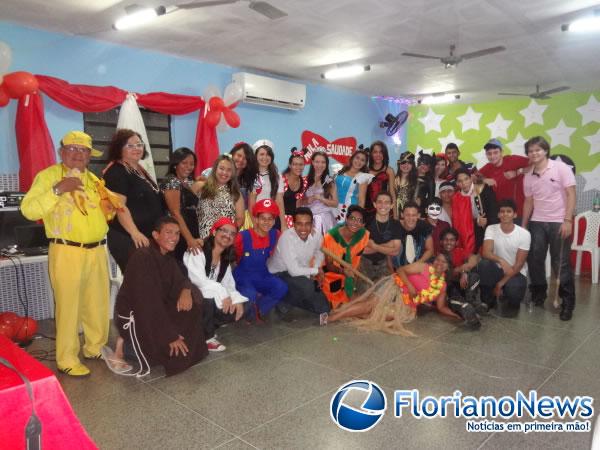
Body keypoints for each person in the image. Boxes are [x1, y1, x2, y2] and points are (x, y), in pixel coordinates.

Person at [21, 131, 117, 376]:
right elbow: (29, 210)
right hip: (66, 250)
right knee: (69, 306)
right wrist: (57, 190)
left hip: (97, 249)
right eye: (72, 149)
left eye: (83, 150)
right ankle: (67, 359)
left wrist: (112, 207)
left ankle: (94, 347)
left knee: (97, 303)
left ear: (89, 155)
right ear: (61, 152)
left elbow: (104, 213)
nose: (77, 154)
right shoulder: (49, 176)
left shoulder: (95, 180)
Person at [105, 217, 208, 377]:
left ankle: (163, 341)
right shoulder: (142, 257)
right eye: (168, 232)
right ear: (155, 235)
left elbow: (181, 280)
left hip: (156, 311)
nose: (174, 238)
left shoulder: (167, 257)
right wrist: (169, 335)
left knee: (194, 302)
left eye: (177, 233)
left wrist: (186, 290)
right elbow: (147, 303)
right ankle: (125, 345)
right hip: (136, 315)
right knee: (167, 356)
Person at [325, 254, 459, 334]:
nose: (439, 263)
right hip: (395, 287)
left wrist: (457, 316)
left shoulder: (442, 286)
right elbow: (400, 270)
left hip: (407, 306)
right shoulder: (423, 267)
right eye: (438, 260)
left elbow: (441, 307)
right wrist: (410, 286)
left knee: (377, 314)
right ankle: (334, 317)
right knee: (370, 305)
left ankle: (345, 309)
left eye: (444, 262)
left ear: (448, 267)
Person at [522, 136, 576, 321]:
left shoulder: (561, 168)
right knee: (535, 258)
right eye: (530, 150)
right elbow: (529, 201)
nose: (534, 153)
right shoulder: (528, 176)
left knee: (560, 263)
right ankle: (538, 294)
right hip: (537, 222)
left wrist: (568, 220)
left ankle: (567, 303)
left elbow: (571, 194)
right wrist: (523, 225)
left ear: (545, 150)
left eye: (537, 149)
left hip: (559, 222)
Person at [103, 128, 164, 272]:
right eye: (129, 145)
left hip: (148, 236)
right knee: (142, 280)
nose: (136, 148)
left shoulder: (139, 169)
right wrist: (135, 233)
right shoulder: (117, 171)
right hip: (129, 238)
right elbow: (119, 207)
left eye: (139, 144)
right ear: (119, 148)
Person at [184, 217, 248, 350]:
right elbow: (198, 281)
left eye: (232, 233)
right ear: (214, 232)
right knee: (206, 296)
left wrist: (237, 300)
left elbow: (229, 284)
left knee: (243, 306)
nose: (227, 235)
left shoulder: (225, 258)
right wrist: (222, 293)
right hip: (189, 297)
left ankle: (209, 323)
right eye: (224, 231)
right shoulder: (198, 250)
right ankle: (206, 337)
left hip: (210, 299)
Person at [268, 207, 330, 319]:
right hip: (278, 274)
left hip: (301, 273)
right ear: (293, 224)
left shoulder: (317, 236)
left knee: (325, 307)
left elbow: (319, 253)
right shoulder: (286, 237)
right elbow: (293, 271)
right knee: (307, 287)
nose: (303, 228)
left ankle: (298, 303)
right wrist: (316, 271)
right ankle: (282, 304)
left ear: (312, 224)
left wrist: (315, 269)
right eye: (299, 224)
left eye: (307, 224)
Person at [233, 199, 288, 320]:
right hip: (243, 276)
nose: (266, 222)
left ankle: (258, 310)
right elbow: (231, 256)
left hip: (263, 275)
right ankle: (251, 308)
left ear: (274, 221)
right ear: (256, 219)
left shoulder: (276, 234)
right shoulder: (242, 236)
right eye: (263, 218)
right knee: (249, 295)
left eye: (270, 219)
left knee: (281, 287)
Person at [480, 199, 530, 317]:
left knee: (513, 297)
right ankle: (488, 299)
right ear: (498, 214)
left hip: (515, 272)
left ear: (515, 214)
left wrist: (500, 284)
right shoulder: (491, 228)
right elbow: (486, 253)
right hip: (496, 269)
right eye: (502, 211)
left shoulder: (524, 234)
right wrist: (501, 261)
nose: (505, 214)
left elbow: (519, 265)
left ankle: (506, 293)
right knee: (484, 264)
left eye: (509, 211)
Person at [322, 205, 370, 308]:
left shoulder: (364, 235)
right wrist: (343, 272)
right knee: (338, 307)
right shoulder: (330, 238)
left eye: (359, 220)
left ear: (363, 224)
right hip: (332, 279)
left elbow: (369, 250)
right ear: (346, 219)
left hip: (353, 279)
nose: (355, 223)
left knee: (364, 305)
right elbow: (329, 265)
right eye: (352, 218)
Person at [162, 147, 203, 262]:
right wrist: (189, 239)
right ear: (175, 164)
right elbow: (175, 213)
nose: (188, 167)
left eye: (191, 164)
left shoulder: (188, 182)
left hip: (190, 231)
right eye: (184, 163)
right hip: (179, 235)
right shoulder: (172, 181)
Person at [439, 228, 486, 329]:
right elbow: (445, 277)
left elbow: (475, 258)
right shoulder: (438, 257)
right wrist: (459, 270)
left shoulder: (459, 252)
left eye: (452, 240)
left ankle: (471, 302)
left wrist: (465, 271)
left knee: (474, 276)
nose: (448, 242)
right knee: (456, 301)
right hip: (450, 291)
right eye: (446, 240)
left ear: (456, 242)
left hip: (465, 287)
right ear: (441, 242)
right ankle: (469, 311)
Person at [358, 192, 402, 293]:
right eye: (380, 202)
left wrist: (373, 245)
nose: (383, 205)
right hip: (364, 264)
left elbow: (395, 251)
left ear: (392, 205)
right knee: (364, 295)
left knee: (383, 296)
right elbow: (362, 250)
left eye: (387, 202)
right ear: (374, 204)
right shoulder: (367, 221)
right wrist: (388, 246)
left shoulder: (395, 224)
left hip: (384, 263)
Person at [478, 138, 530, 219]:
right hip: (503, 214)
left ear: (501, 152)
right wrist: (484, 180)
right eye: (489, 154)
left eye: (495, 152)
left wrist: (519, 171)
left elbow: (535, 163)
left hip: (520, 213)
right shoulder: (488, 167)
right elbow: (472, 178)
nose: (492, 156)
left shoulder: (512, 160)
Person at [196, 154, 245, 240]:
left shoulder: (236, 193)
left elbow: (240, 219)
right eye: (221, 168)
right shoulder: (201, 187)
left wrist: (228, 236)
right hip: (201, 241)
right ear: (215, 169)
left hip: (224, 242)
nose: (224, 173)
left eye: (229, 170)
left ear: (232, 173)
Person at [453, 168, 498, 253]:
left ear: (471, 178)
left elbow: (493, 211)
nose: (464, 183)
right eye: (460, 181)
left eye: (466, 179)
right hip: (468, 232)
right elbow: (458, 221)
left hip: (487, 229)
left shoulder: (484, 189)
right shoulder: (457, 198)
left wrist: (489, 226)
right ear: (457, 183)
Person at [248, 140, 286, 229]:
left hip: (272, 219)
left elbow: (279, 201)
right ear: (256, 156)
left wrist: (283, 225)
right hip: (255, 219)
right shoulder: (250, 175)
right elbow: (251, 203)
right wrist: (255, 225)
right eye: (261, 154)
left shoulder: (277, 176)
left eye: (268, 154)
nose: (265, 157)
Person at [302, 151, 338, 234]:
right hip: (308, 219)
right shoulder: (305, 180)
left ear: (326, 164)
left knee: (325, 246)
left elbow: (335, 203)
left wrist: (321, 198)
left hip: (326, 220)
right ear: (312, 162)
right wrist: (307, 200)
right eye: (317, 162)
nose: (320, 165)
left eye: (323, 162)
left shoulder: (330, 182)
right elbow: (300, 202)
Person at [391, 202, 434, 269]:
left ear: (418, 215)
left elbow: (430, 250)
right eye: (408, 215)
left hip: (418, 266)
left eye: (414, 215)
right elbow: (387, 252)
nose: (411, 218)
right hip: (396, 268)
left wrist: (417, 264)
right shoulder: (394, 226)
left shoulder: (424, 226)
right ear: (402, 215)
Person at [334, 149, 372, 223]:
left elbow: (361, 201)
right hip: (333, 208)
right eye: (357, 158)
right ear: (352, 158)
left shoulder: (363, 177)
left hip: (349, 211)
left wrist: (357, 219)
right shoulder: (341, 171)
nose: (359, 161)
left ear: (365, 163)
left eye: (362, 160)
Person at [365, 141, 397, 223]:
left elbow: (392, 193)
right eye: (375, 152)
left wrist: (395, 215)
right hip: (368, 211)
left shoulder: (389, 170)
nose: (378, 155)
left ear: (384, 154)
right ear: (371, 154)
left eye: (381, 152)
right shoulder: (365, 171)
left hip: (384, 209)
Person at [229, 142, 258, 230]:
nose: (241, 160)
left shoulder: (250, 181)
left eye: (245, 158)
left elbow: (251, 206)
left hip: (242, 221)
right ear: (232, 154)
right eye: (239, 155)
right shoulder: (219, 174)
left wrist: (256, 227)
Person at [281, 147, 309, 228]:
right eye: (295, 164)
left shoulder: (304, 182)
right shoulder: (281, 180)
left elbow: (298, 205)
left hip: (294, 221)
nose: (298, 167)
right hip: (279, 220)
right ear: (290, 165)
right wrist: (283, 224)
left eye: (301, 164)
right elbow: (277, 204)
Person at [394, 151, 418, 217]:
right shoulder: (393, 180)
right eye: (403, 162)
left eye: (409, 163)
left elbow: (416, 202)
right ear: (399, 164)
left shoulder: (416, 182)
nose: (406, 165)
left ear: (413, 165)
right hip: (392, 214)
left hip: (408, 216)